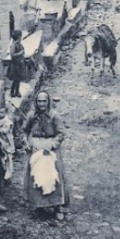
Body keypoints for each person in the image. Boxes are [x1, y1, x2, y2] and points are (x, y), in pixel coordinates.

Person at [23, 90, 68, 222]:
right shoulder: (31, 115)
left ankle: (58, 206)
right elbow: (24, 131)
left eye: (44, 101)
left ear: (48, 102)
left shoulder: (54, 116)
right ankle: (39, 205)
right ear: (36, 102)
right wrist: (26, 142)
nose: (41, 104)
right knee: (36, 176)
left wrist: (52, 144)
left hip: (50, 148)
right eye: (39, 101)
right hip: (36, 146)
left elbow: (61, 134)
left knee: (54, 175)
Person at [0, 105, 15, 182]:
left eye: (2, 112)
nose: (0, 114)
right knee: (1, 158)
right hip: (0, 141)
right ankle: (2, 173)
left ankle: (8, 174)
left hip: (7, 142)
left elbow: (5, 131)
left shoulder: (8, 122)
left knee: (8, 159)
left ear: (5, 113)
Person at [7, 30, 26, 98]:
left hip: (20, 64)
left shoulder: (19, 44)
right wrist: (20, 53)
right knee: (15, 80)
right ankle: (12, 91)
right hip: (15, 66)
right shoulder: (13, 45)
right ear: (18, 37)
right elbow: (12, 54)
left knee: (19, 80)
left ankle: (17, 91)